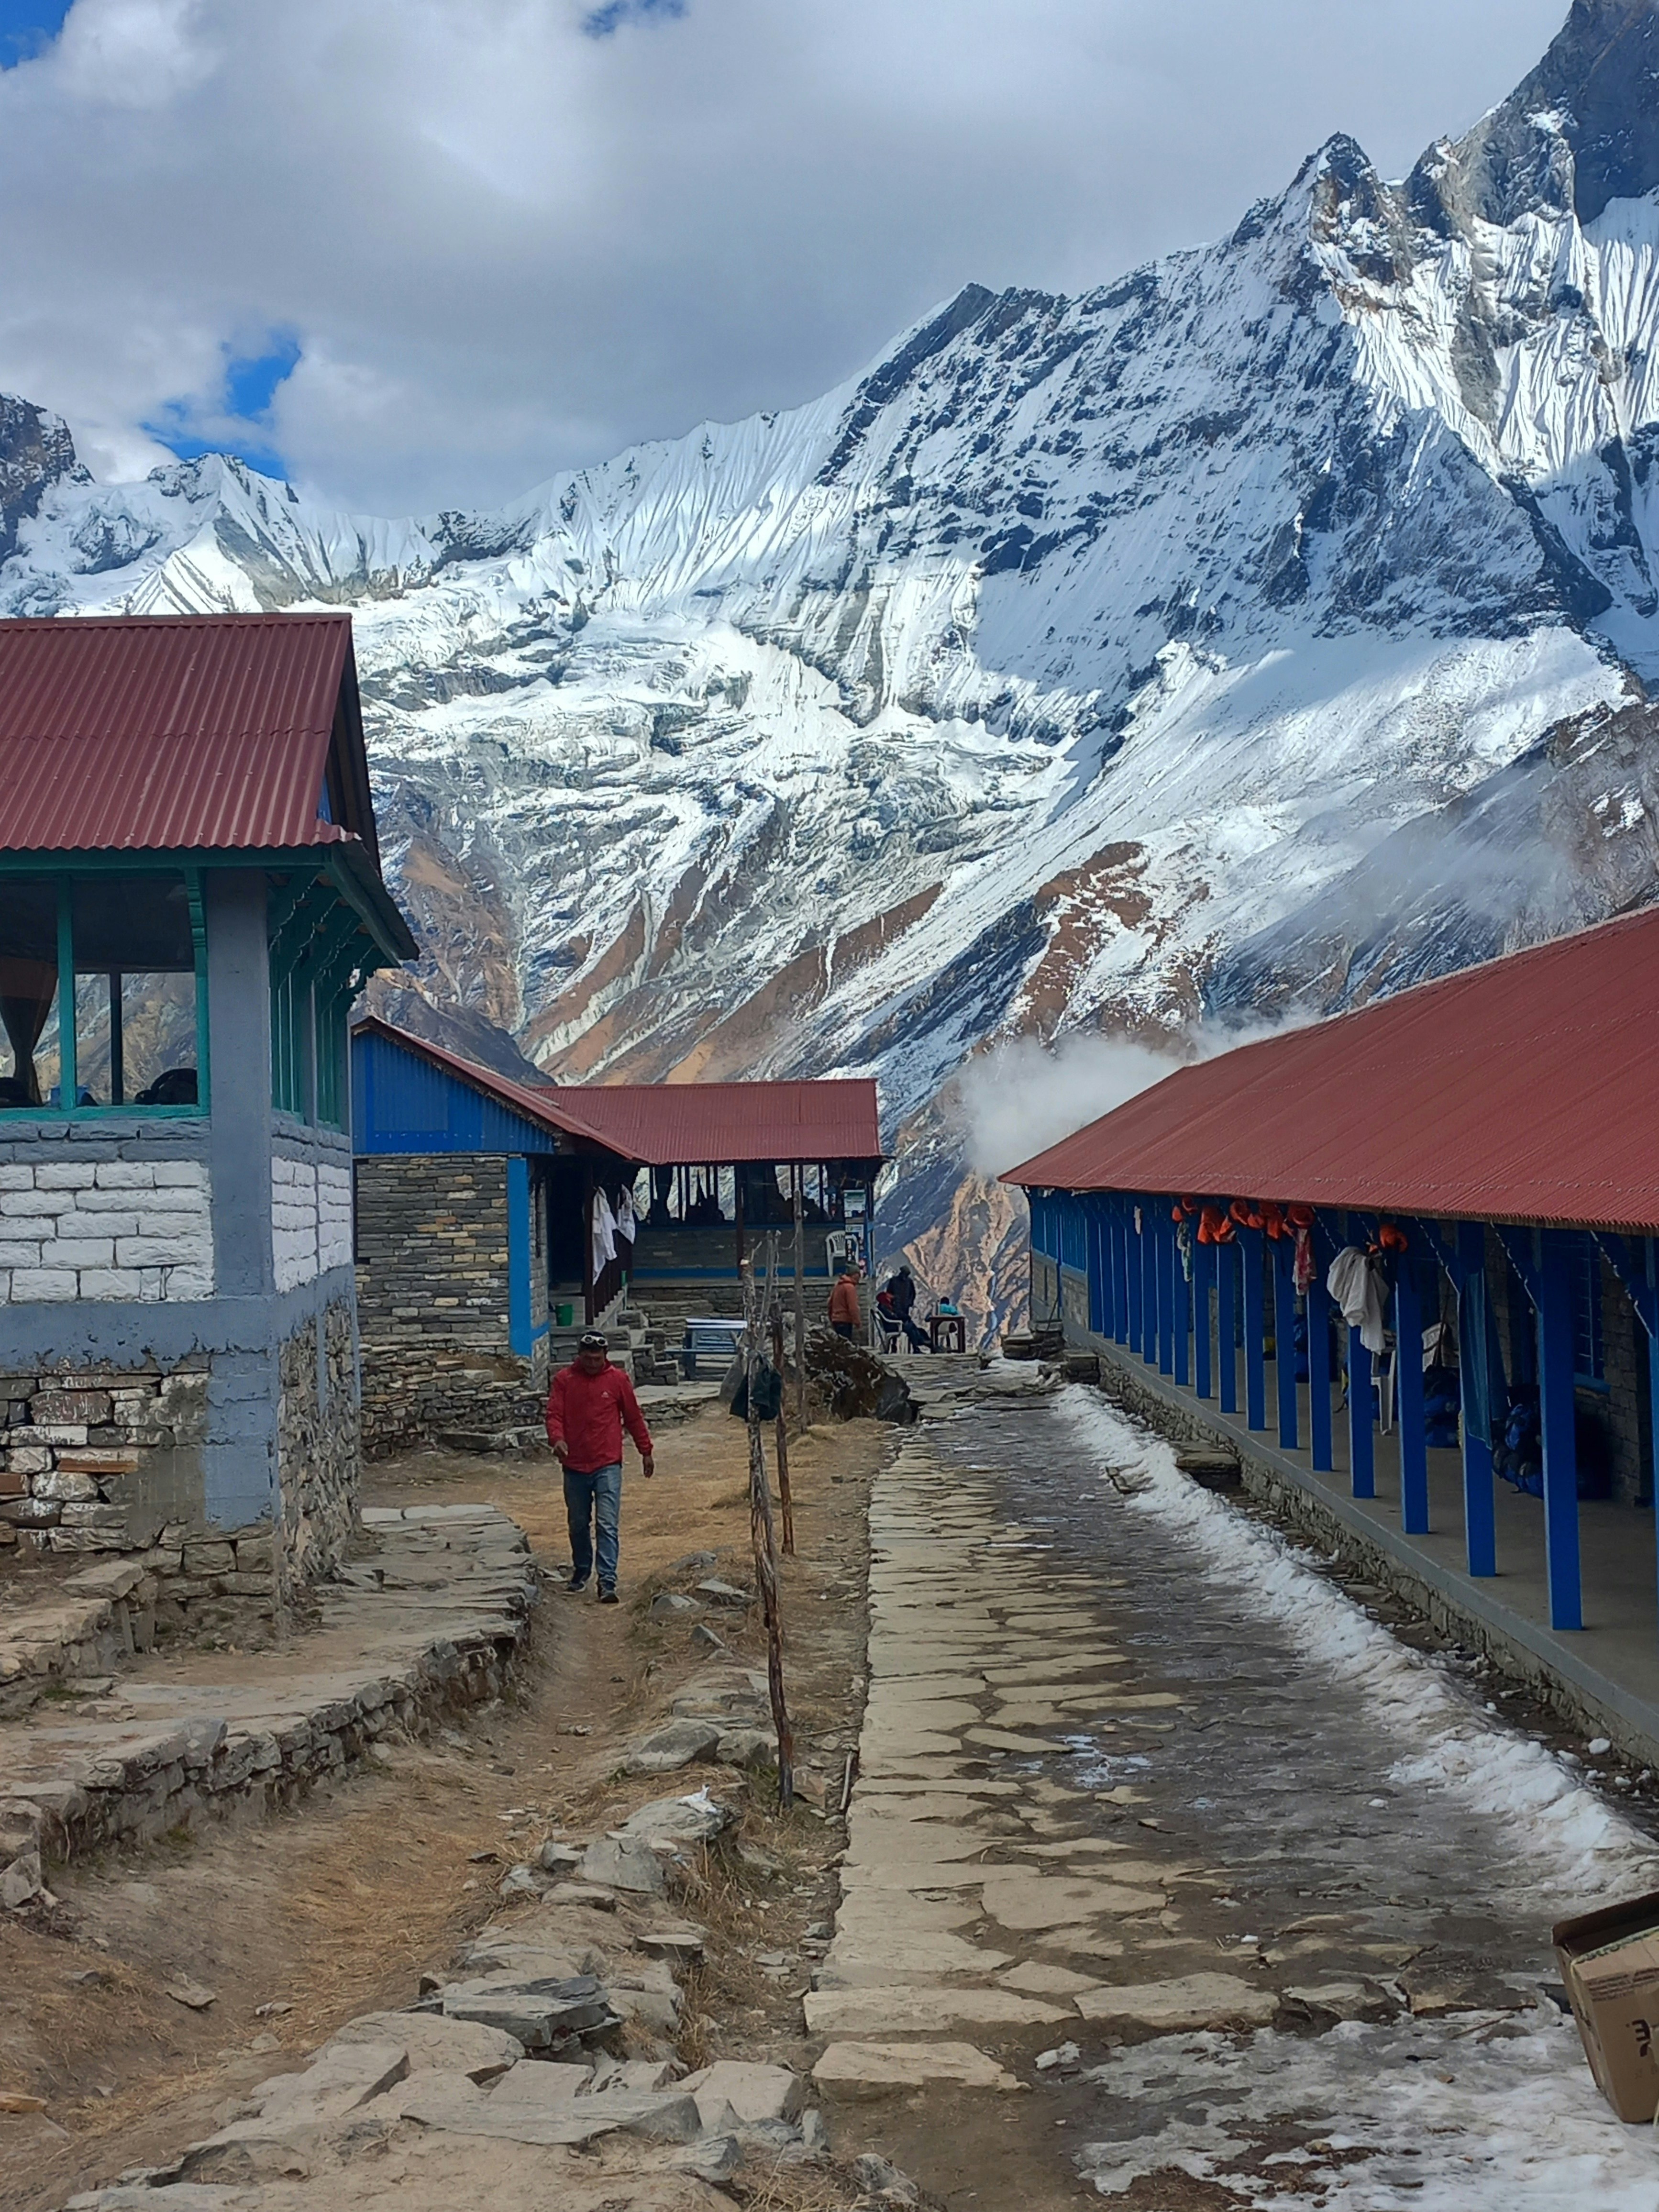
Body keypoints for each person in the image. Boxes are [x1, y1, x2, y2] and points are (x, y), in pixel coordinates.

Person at [545, 1330, 654, 1604]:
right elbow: (554, 1414)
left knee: (607, 1524)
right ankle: (582, 1570)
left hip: (608, 1464)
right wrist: (557, 1439)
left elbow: (633, 1418)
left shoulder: (618, 1381)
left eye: (597, 1358)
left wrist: (646, 1451)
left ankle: (607, 1581)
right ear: (579, 1356)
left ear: (605, 1356)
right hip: (575, 1465)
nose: (592, 1363)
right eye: (587, 1358)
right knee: (578, 1523)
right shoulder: (564, 1380)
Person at [884, 1266, 930, 1354]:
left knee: (909, 1325)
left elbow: (913, 1294)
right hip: (896, 1309)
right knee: (907, 1326)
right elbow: (889, 1293)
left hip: (905, 1308)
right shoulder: (894, 1281)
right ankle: (894, 1345)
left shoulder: (909, 1282)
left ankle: (916, 1346)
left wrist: (910, 1303)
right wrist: (893, 1302)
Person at [829, 1261, 863, 1339]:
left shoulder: (838, 1285)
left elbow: (830, 1303)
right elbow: (853, 1308)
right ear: (854, 1275)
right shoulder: (850, 1288)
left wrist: (832, 1318)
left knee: (840, 1346)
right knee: (846, 1346)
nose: (860, 1277)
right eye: (858, 1274)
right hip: (845, 1322)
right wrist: (858, 1324)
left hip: (836, 1321)